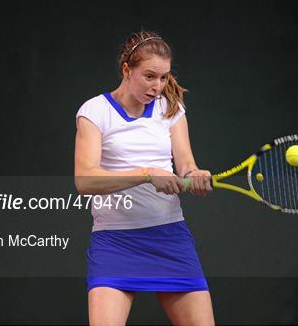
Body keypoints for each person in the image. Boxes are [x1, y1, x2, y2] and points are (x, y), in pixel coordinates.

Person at [74, 31, 215, 325]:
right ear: (127, 70)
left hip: (169, 237)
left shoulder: (170, 109)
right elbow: (85, 180)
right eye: (150, 76)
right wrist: (147, 174)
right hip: (114, 242)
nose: (158, 86)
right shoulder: (95, 111)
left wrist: (195, 176)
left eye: (164, 78)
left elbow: (186, 166)